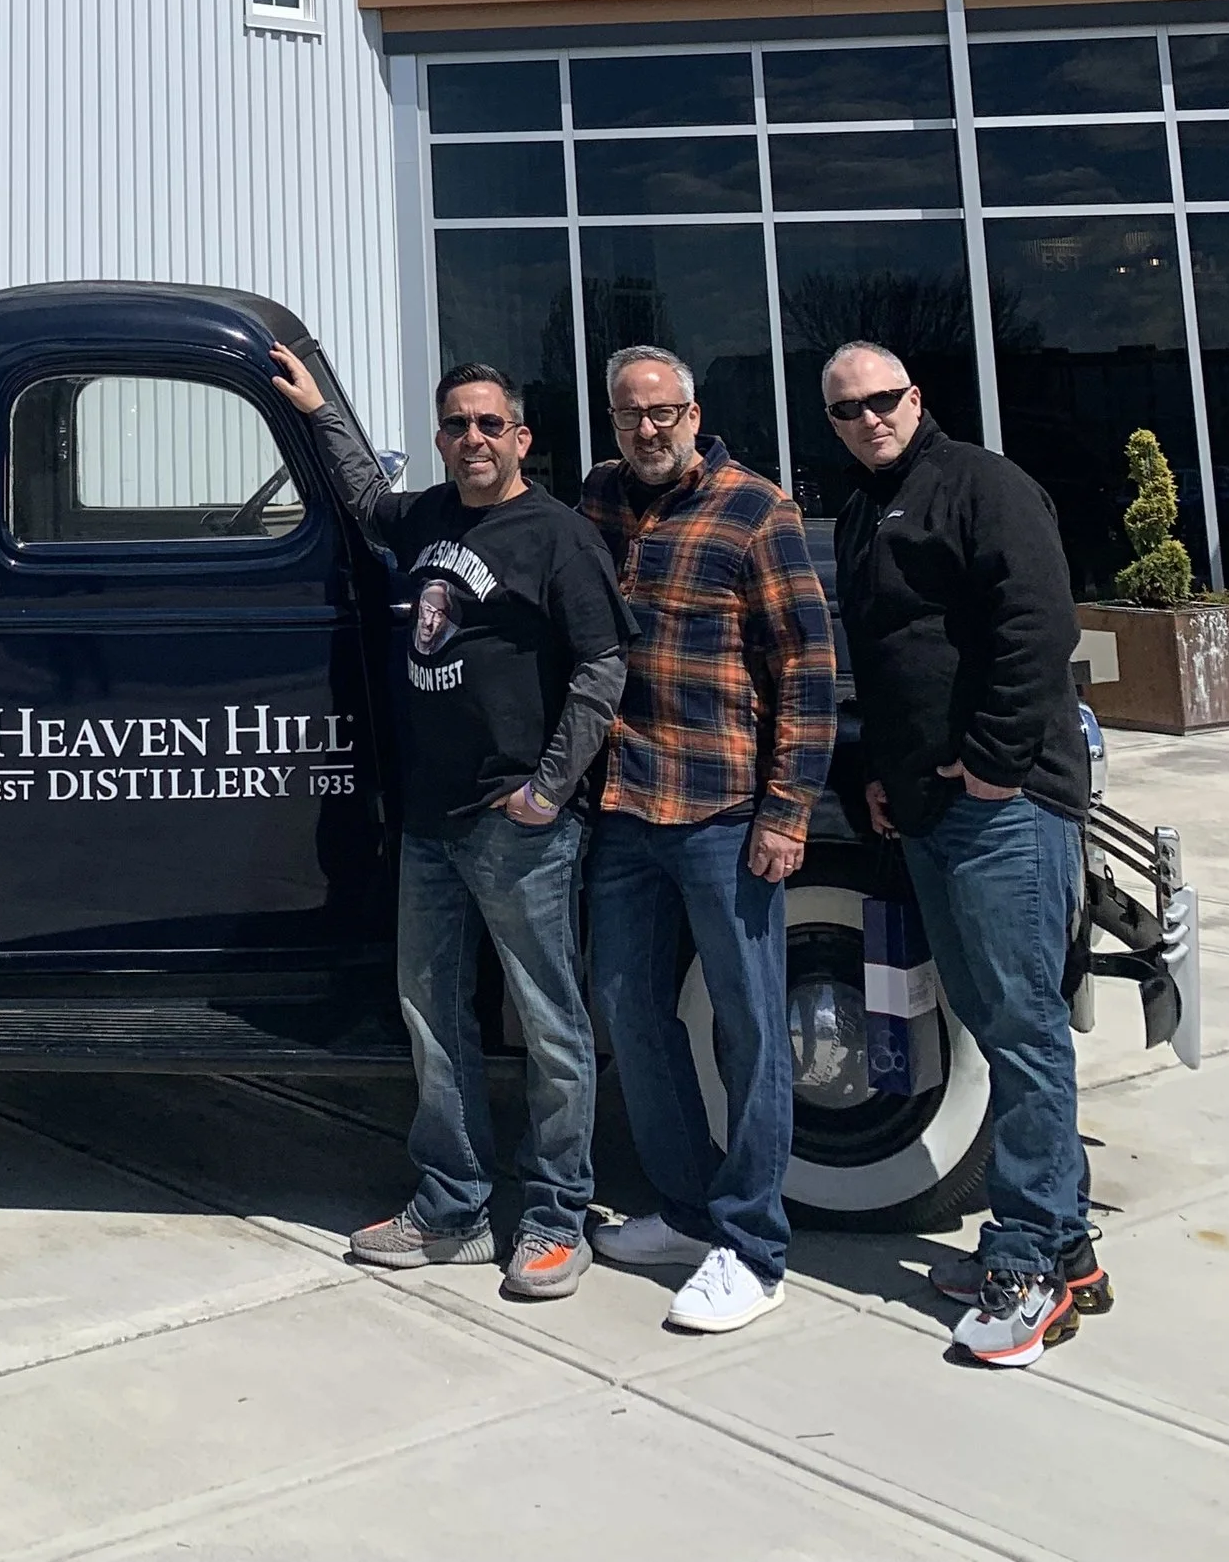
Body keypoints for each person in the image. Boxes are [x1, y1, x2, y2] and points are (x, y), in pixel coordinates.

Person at [275, 344, 633, 1302]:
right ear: (438, 438)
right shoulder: (430, 513)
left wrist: (550, 789)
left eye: (488, 423)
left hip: (517, 820)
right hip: (430, 821)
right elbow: (363, 499)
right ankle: (453, 1206)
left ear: (520, 435)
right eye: (455, 424)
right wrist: (321, 410)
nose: (471, 437)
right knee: (433, 1017)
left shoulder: (557, 535)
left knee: (551, 1024)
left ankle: (558, 1218)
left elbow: (602, 668)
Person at [823, 339, 1105, 1370]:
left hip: (1005, 807)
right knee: (993, 1017)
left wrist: (989, 766)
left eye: (881, 401)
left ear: (916, 397)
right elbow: (893, 659)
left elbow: (1037, 626)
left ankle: (1026, 1265)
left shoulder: (982, 484)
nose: (867, 420)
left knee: (1024, 1028)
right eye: (847, 410)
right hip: (933, 810)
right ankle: (1066, 1245)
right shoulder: (864, 506)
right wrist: (886, 780)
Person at [579, 344, 836, 1335]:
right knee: (629, 1012)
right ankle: (685, 1212)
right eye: (627, 415)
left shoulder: (755, 509)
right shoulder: (601, 501)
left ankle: (752, 1247)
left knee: (749, 1028)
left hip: (724, 810)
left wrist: (786, 810)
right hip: (623, 808)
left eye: (661, 412)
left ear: (694, 411)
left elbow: (806, 669)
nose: (646, 429)